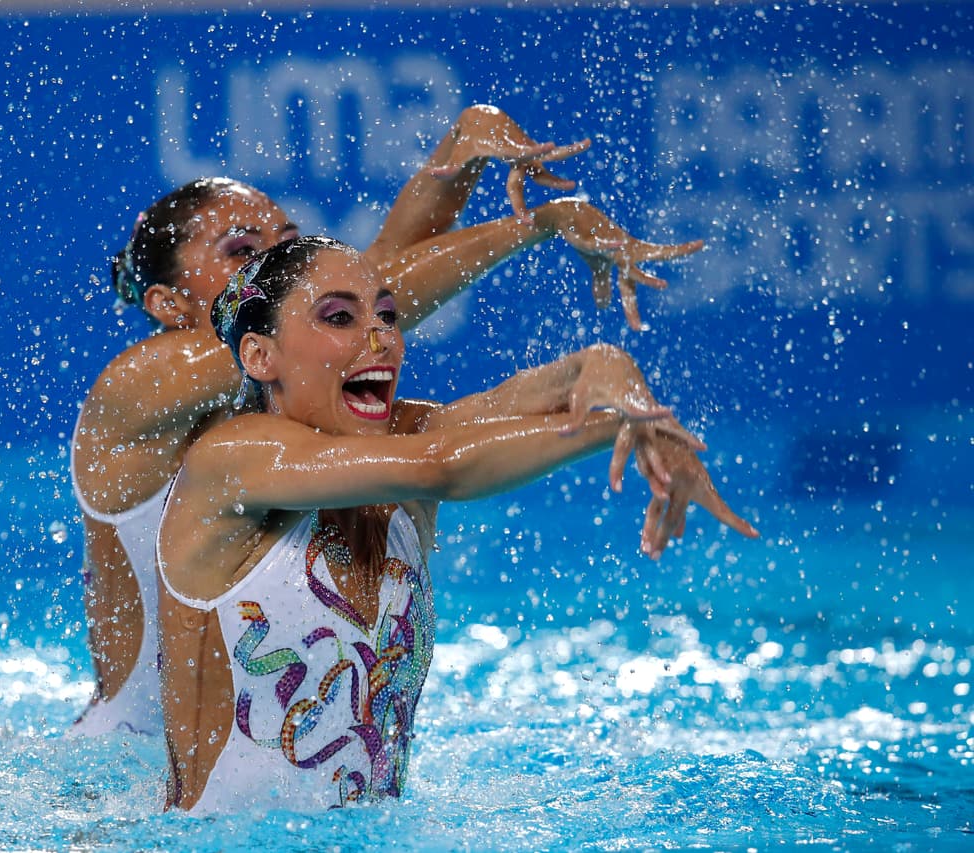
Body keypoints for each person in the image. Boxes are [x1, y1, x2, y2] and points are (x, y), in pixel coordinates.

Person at [70, 105, 705, 736]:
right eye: (243, 251)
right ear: (168, 302)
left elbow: (369, 281)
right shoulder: (141, 387)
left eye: (287, 244)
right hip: (130, 767)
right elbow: (368, 304)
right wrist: (542, 224)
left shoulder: (303, 414)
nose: (276, 264)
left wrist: (460, 151)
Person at [156, 236, 758, 813]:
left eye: (388, 316)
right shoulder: (228, 461)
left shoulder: (407, 439)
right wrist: (619, 430)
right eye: (340, 318)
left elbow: (544, 393)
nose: (382, 338)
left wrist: (612, 372)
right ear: (261, 356)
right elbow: (439, 468)